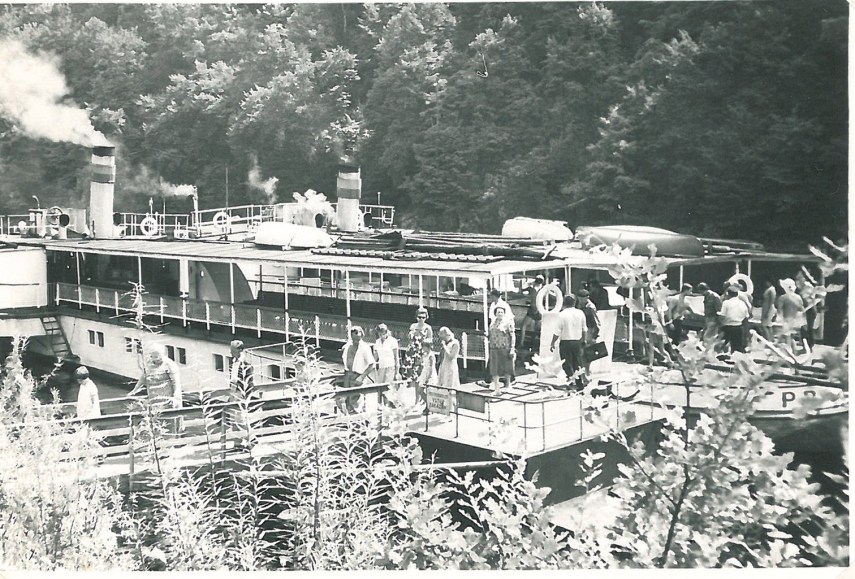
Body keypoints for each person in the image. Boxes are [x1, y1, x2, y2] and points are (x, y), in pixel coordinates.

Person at [128, 344, 182, 433]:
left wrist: (176, 396)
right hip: (154, 399)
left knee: (169, 422)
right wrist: (135, 390)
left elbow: (176, 382)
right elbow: (143, 377)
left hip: (167, 399)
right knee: (156, 422)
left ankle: (173, 442)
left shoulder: (170, 365)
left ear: (163, 354)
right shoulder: (149, 364)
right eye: (153, 356)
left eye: (158, 356)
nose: (156, 359)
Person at [550, 295, 587, 389]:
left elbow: (557, 331)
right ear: (575, 302)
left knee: (567, 363)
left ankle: (571, 381)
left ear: (564, 303)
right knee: (577, 363)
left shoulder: (561, 314)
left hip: (566, 342)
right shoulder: (580, 313)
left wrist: (552, 342)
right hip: (577, 341)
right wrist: (584, 340)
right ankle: (579, 383)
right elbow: (584, 329)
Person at [341, 326, 376, 413]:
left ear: (362, 337)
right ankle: (348, 421)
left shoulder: (365, 348)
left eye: (358, 339)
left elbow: (372, 364)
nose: (356, 341)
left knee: (356, 403)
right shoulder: (348, 345)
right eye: (354, 339)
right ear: (351, 337)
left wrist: (362, 377)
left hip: (358, 376)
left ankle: (359, 422)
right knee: (344, 401)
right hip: (347, 375)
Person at [488, 306, 516, 394]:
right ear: (495, 313)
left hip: (505, 347)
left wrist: (512, 348)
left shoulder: (508, 323)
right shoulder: (492, 323)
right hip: (494, 348)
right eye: (498, 312)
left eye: (501, 312)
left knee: (507, 367)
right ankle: (497, 389)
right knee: (494, 369)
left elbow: (512, 335)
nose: (500, 314)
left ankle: (508, 385)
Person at [777, 278, 806, 352]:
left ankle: (789, 351)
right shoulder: (798, 297)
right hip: (796, 320)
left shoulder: (783, 298)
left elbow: (779, 309)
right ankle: (794, 351)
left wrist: (778, 318)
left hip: (786, 319)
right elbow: (802, 309)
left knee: (787, 337)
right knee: (792, 337)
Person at [718, 286, 751, 353]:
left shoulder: (726, 303)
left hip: (727, 327)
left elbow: (722, 316)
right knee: (737, 348)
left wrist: (719, 325)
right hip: (738, 327)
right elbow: (746, 316)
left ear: (728, 294)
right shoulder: (742, 303)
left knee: (721, 346)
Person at [576, 289, 600, 374]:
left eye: (582, 298)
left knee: (587, 356)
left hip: (589, 332)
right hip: (581, 331)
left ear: (587, 297)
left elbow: (597, 323)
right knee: (581, 356)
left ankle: (587, 375)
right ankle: (584, 375)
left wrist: (594, 336)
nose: (581, 300)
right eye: (579, 298)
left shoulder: (590, 307)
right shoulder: (579, 306)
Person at [520, 275, 545, 349]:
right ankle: (538, 343)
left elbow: (522, 289)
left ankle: (522, 342)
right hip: (539, 308)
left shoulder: (532, 288)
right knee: (537, 327)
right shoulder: (543, 289)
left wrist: (528, 282)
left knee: (524, 326)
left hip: (533, 308)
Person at [795, 270, 818, 347]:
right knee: (802, 327)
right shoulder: (800, 286)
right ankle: (804, 343)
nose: (797, 280)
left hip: (810, 309)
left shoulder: (808, 286)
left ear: (803, 278)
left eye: (799, 278)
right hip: (804, 309)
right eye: (797, 279)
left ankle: (810, 344)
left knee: (809, 327)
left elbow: (808, 299)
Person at [415, 339, 437, 410]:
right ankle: (429, 404)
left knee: (428, 391)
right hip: (424, 373)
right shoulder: (425, 354)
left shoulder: (431, 355)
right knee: (420, 390)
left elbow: (431, 367)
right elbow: (419, 362)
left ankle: (429, 407)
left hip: (429, 374)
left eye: (424, 347)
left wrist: (428, 377)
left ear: (428, 347)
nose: (423, 348)